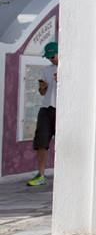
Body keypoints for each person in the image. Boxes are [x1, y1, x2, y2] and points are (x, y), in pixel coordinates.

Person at [27, 41, 58, 187]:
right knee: (41, 142)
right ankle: (41, 174)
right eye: (49, 57)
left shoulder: (72, 67)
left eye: (53, 56)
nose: (51, 59)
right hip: (46, 108)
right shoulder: (47, 70)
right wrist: (42, 87)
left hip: (62, 110)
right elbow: (42, 91)